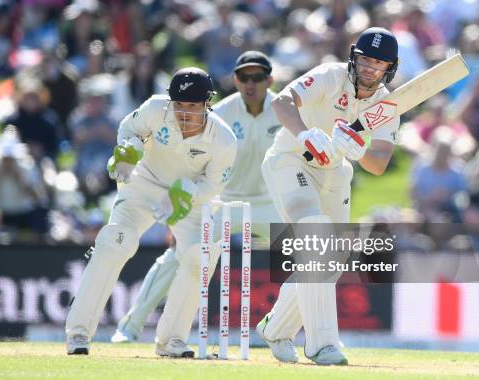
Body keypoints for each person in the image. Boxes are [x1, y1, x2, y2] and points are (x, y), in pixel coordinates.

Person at [110, 51, 292, 359]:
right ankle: (130, 324)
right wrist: (182, 207)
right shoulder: (218, 112)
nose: (250, 83)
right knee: (182, 255)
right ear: (235, 80)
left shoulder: (284, 110)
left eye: (257, 77)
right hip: (219, 198)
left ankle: (312, 334)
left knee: (310, 252)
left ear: (269, 80)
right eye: (244, 77)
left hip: (267, 202)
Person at [65, 67, 237, 357]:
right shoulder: (156, 108)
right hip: (143, 185)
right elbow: (128, 129)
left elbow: (212, 185)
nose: (184, 113)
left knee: (200, 254)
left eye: (192, 106)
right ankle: (78, 334)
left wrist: (184, 194)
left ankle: (171, 340)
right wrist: (128, 151)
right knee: (115, 241)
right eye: (179, 105)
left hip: (189, 195)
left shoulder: (224, 138)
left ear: (208, 103)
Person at [257, 27, 401, 365]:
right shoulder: (330, 75)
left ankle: (275, 328)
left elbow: (379, 164)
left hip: (336, 172)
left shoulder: (386, 103)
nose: (369, 68)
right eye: (365, 59)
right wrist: (306, 134)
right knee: (316, 235)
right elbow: (282, 101)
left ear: (389, 68)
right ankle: (322, 344)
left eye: (378, 64)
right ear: (354, 57)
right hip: (291, 160)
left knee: (330, 260)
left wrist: (358, 149)